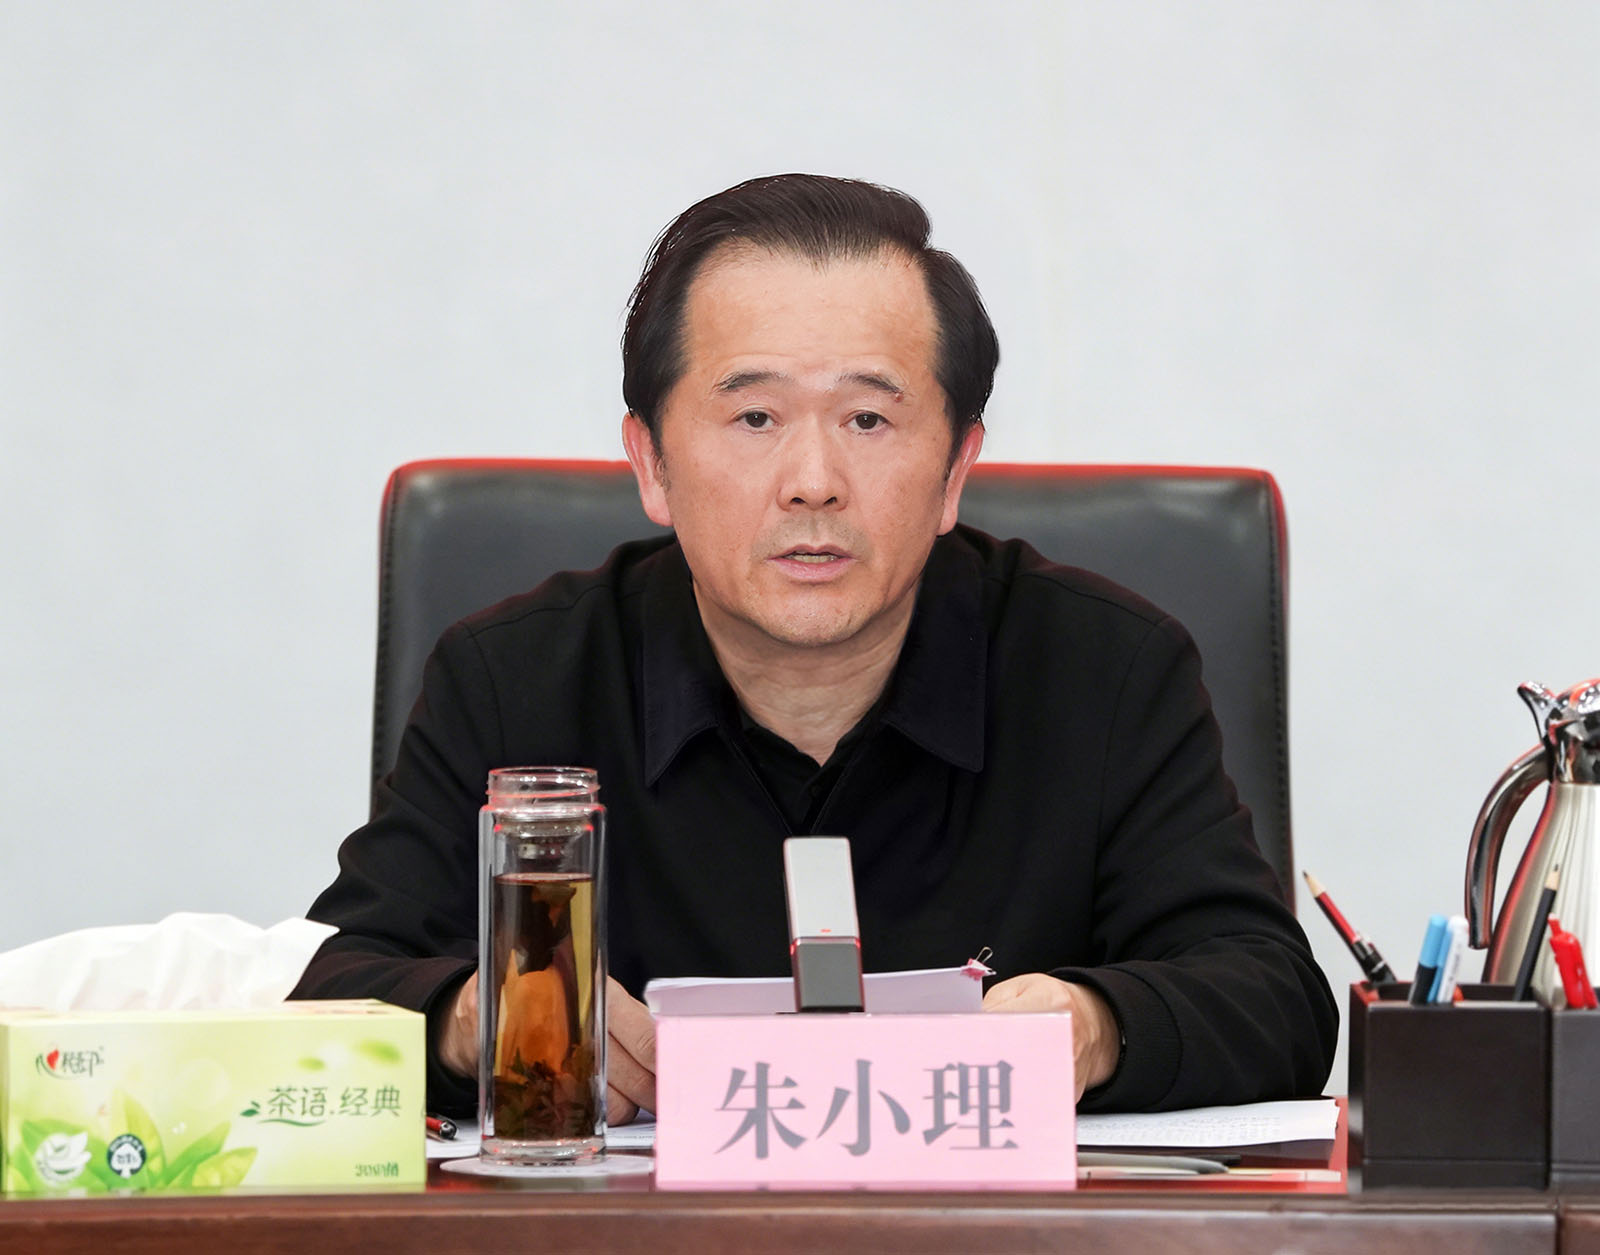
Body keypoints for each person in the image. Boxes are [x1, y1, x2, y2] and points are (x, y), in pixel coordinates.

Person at [292, 174, 1337, 1119]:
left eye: (868, 421)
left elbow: (1273, 996)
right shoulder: (512, 679)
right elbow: (333, 1000)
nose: (812, 483)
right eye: (754, 417)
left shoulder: (1105, 671)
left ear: (956, 469)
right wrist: (484, 1017)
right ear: (650, 463)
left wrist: (1095, 1026)